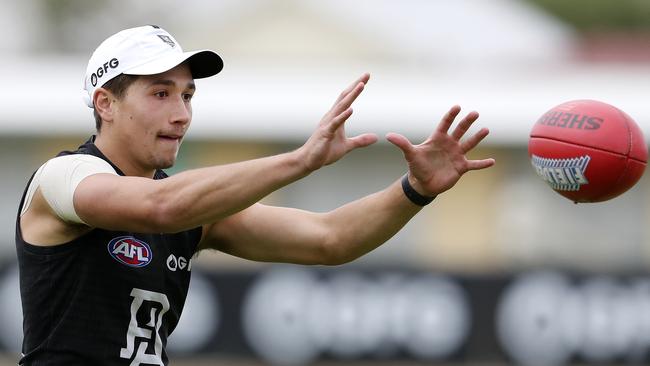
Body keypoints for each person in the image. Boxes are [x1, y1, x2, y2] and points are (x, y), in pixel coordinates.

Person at [15, 25, 495, 365]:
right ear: (106, 103)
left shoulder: (193, 209)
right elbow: (158, 208)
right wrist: (299, 161)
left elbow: (329, 238)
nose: (182, 113)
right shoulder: (65, 176)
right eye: (161, 94)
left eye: (187, 95)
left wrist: (414, 190)